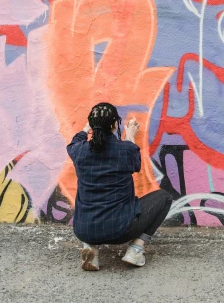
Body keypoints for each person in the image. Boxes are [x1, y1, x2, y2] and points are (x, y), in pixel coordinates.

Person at [67, 102, 173, 271]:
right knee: (164, 198)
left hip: (83, 229)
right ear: (115, 124)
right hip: (120, 230)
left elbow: (74, 143)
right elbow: (134, 162)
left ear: (91, 125)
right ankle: (136, 250)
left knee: (91, 209)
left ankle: (91, 247)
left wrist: (86, 128)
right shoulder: (125, 150)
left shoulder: (79, 151)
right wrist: (130, 135)